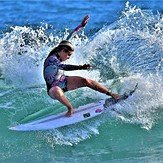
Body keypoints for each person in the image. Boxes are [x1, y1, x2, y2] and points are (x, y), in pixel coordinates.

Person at [43, 15, 121, 117]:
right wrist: (81, 67)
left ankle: (113, 94)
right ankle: (70, 109)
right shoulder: (51, 60)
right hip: (53, 88)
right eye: (68, 55)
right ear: (62, 51)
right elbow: (65, 67)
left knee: (86, 81)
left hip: (63, 81)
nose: (69, 57)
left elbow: (70, 36)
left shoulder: (61, 49)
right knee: (56, 90)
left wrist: (81, 25)